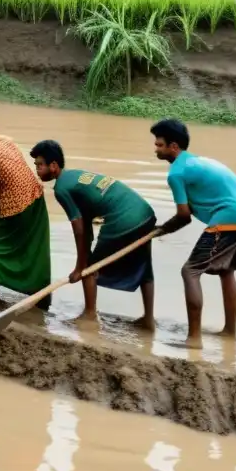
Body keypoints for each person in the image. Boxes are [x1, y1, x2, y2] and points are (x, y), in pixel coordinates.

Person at [150, 119, 236, 348]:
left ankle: (194, 340)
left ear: (174, 147)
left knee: (190, 271)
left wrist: (159, 230)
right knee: (227, 271)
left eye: (159, 145)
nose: (155, 149)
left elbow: (184, 216)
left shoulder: (176, 173)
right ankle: (229, 333)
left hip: (233, 217)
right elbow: (197, 205)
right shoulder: (200, 162)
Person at [31, 139, 158, 330]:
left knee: (90, 267)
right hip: (144, 213)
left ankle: (89, 315)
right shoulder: (75, 176)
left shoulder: (61, 188)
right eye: (36, 165)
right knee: (145, 267)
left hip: (123, 219)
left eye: (40, 165)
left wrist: (80, 266)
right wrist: (83, 257)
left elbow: (79, 229)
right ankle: (149, 319)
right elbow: (87, 224)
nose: (37, 170)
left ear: (54, 166)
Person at [0, 103, 52, 313]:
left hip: (16, 207)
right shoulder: (5, 139)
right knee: (34, 250)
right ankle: (42, 301)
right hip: (36, 199)